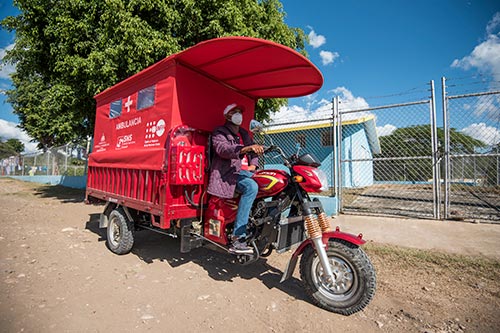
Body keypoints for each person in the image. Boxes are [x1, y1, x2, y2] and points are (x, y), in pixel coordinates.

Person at [207, 103, 264, 254]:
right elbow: (223, 150)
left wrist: (254, 165)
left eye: (240, 111)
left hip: (243, 172)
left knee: (267, 180)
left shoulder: (244, 134)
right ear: (227, 116)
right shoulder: (220, 132)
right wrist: (244, 149)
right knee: (251, 187)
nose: (238, 114)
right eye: (234, 112)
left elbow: (253, 150)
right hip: (226, 174)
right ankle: (238, 237)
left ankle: (260, 223)